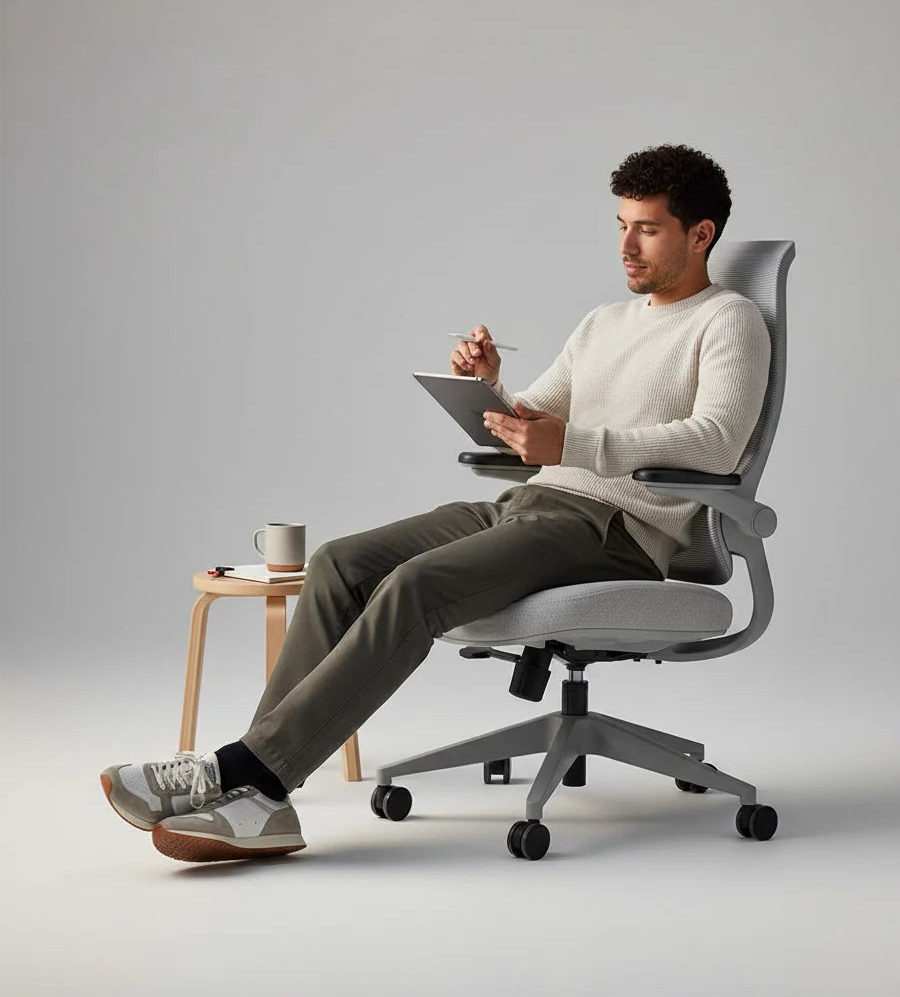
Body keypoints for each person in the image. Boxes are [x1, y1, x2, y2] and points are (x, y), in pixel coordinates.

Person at [100, 143, 771, 863]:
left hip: (617, 529)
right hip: (534, 504)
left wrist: (571, 443)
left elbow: (715, 444)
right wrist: (491, 388)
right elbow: (532, 424)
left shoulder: (729, 320)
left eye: (647, 228)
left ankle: (247, 776)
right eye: (620, 225)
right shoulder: (604, 322)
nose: (625, 245)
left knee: (416, 587)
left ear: (700, 234)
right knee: (340, 563)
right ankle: (258, 793)